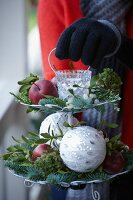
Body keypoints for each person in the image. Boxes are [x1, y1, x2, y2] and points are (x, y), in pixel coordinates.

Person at [37, 0, 133, 199]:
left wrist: (121, 44)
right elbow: (56, 82)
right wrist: (77, 156)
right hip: (69, 149)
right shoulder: (57, 2)